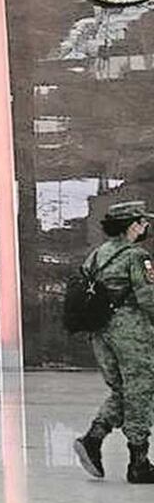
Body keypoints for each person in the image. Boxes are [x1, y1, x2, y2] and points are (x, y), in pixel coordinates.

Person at [73, 201, 154, 483]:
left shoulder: (96, 255)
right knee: (140, 391)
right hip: (132, 334)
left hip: (100, 333)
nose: (146, 227)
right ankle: (139, 462)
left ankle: (93, 439)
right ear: (132, 225)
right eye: (143, 222)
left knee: (121, 390)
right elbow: (148, 298)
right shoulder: (136, 256)